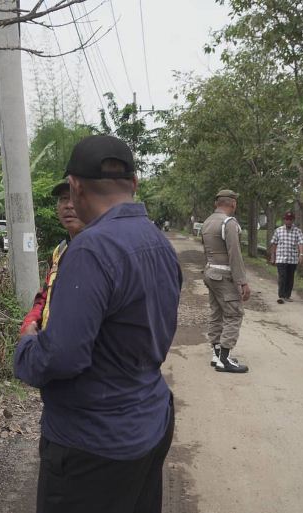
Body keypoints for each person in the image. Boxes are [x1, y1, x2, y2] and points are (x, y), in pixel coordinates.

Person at [15, 135, 182, 513]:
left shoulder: (91, 248)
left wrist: (27, 345)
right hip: (149, 419)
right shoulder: (158, 242)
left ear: (74, 187)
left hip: (93, 443)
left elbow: (62, 357)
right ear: (134, 184)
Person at [19, 181, 85, 335]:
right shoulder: (60, 250)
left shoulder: (99, 251)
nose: (69, 205)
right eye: (63, 199)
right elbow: (44, 296)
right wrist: (31, 321)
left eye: (75, 199)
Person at [201, 189, 251, 373]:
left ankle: (217, 354)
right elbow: (234, 254)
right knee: (234, 313)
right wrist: (242, 281)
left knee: (216, 312)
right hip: (224, 275)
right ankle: (225, 360)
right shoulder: (228, 223)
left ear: (217, 203)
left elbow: (206, 251)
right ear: (233, 203)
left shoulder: (207, 222)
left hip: (210, 272)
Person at [268, 211, 303, 304]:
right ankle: (281, 296)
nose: (288, 221)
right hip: (281, 258)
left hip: (292, 259)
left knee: (290, 277)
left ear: (293, 220)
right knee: (282, 276)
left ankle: (287, 295)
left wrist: (301, 254)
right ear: (284, 220)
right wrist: (273, 256)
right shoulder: (278, 230)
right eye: (286, 219)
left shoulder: (297, 231)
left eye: (290, 220)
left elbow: (301, 243)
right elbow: (274, 243)